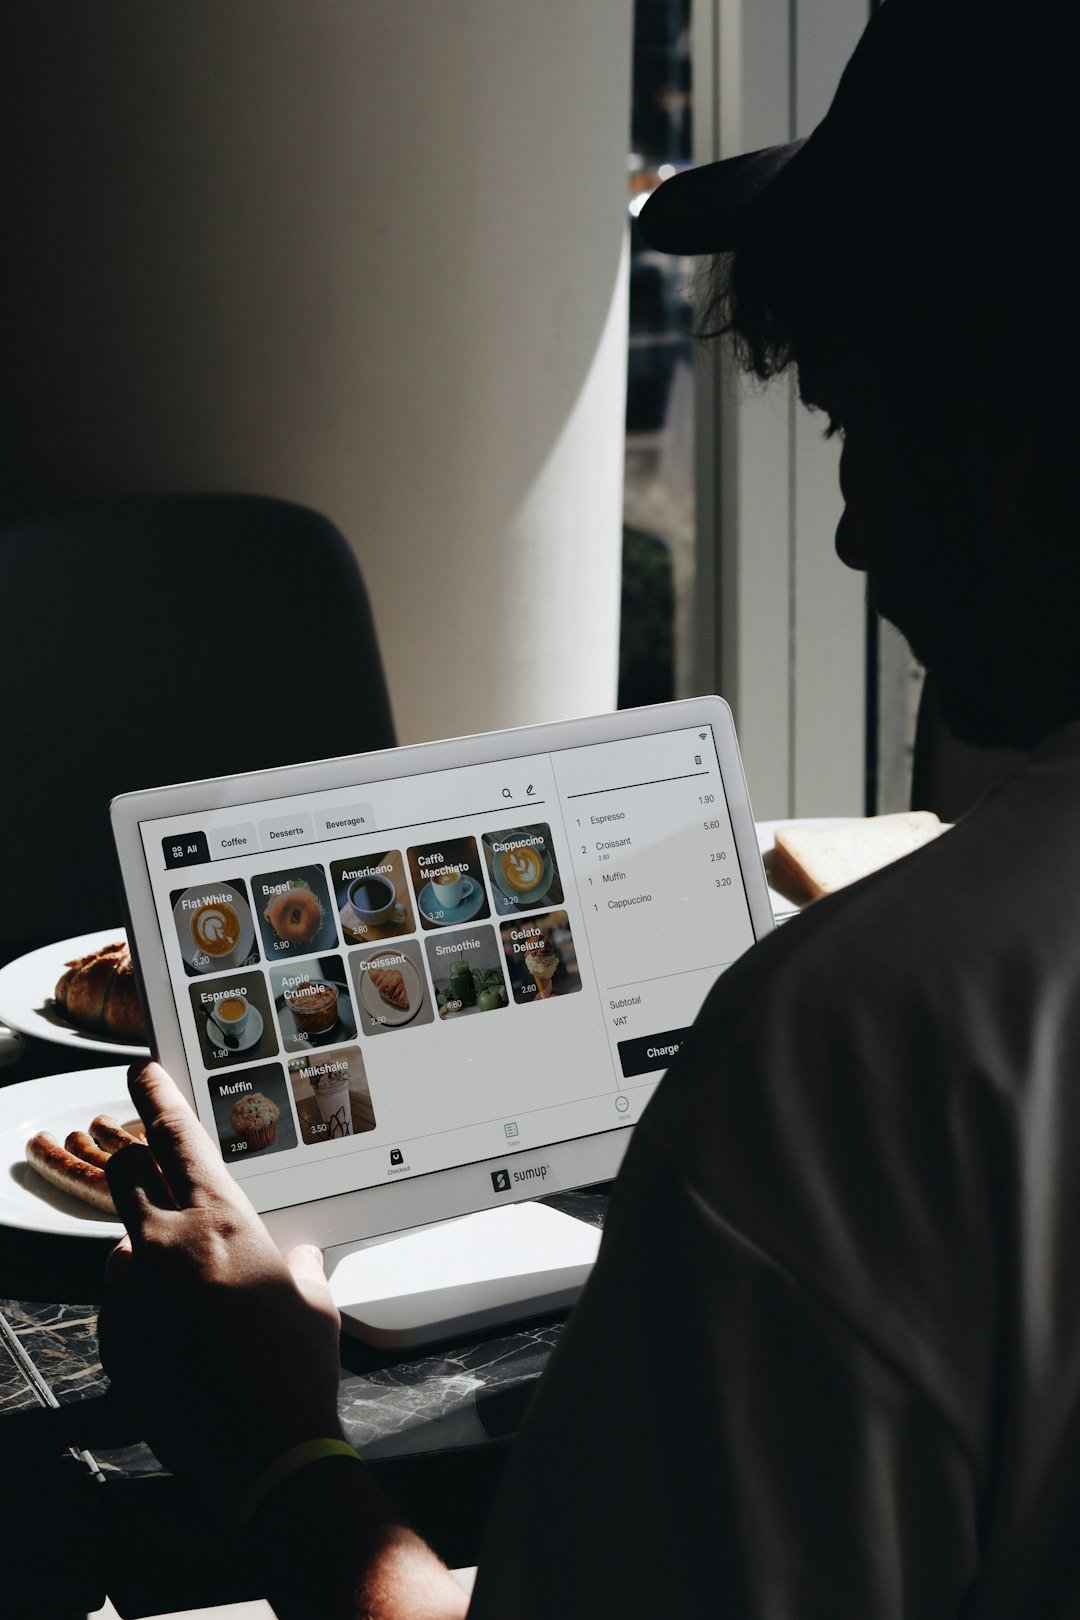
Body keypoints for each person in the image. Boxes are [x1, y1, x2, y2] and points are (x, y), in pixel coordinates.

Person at [99, 0, 1080, 1613]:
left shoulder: (866, 1061)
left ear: (1010, 423)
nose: (845, 534)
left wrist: (269, 1446)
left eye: (855, 423)